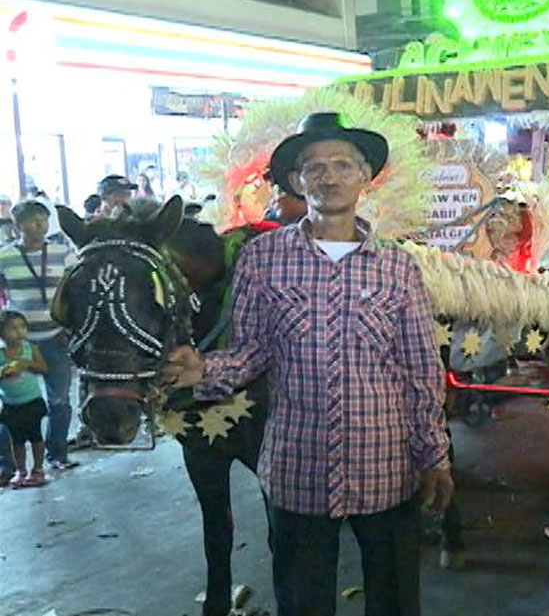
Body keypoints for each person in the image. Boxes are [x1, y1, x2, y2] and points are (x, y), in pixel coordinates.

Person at [162, 112, 453, 616]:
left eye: (344, 164)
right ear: (296, 181)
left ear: (366, 176)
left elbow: (420, 369)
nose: (330, 176)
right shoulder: (263, 259)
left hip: (385, 465)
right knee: (302, 602)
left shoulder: (398, 266)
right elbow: (253, 351)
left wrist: (434, 455)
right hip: (297, 469)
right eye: (314, 167)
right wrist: (203, 370)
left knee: (396, 600)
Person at [0, 201, 77, 470]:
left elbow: (75, 295)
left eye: (44, 220)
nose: (40, 226)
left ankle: (57, 454)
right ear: (18, 225)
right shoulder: (5, 257)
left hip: (56, 338)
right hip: (18, 343)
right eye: (33, 221)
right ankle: (11, 465)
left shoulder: (64, 254)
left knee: (60, 400)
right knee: (15, 402)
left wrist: (70, 329)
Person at [0, 310, 50, 488]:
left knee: (36, 438)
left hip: (32, 401)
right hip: (11, 405)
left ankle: (37, 469)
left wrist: (27, 364)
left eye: (22, 327)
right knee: (17, 441)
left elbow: (44, 368)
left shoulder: (31, 349)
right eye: (13, 328)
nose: (19, 332)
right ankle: (20, 470)